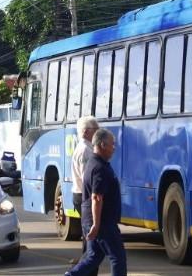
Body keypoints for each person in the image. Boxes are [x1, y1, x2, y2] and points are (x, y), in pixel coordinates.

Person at [66, 129, 126, 276]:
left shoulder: (96, 163)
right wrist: (96, 225)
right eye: (112, 144)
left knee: (93, 258)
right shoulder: (99, 167)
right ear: (102, 145)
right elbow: (96, 198)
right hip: (102, 222)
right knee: (118, 257)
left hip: (94, 220)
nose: (114, 148)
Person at [71, 116, 99, 263]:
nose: (98, 132)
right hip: (84, 195)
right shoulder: (85, 151)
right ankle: (85, 266)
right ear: (87, 132)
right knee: (90, 236)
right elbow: (87, 178)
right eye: (96, 130)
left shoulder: (87, 148)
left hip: (83, 195)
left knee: (88, 236)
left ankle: (86, 263)